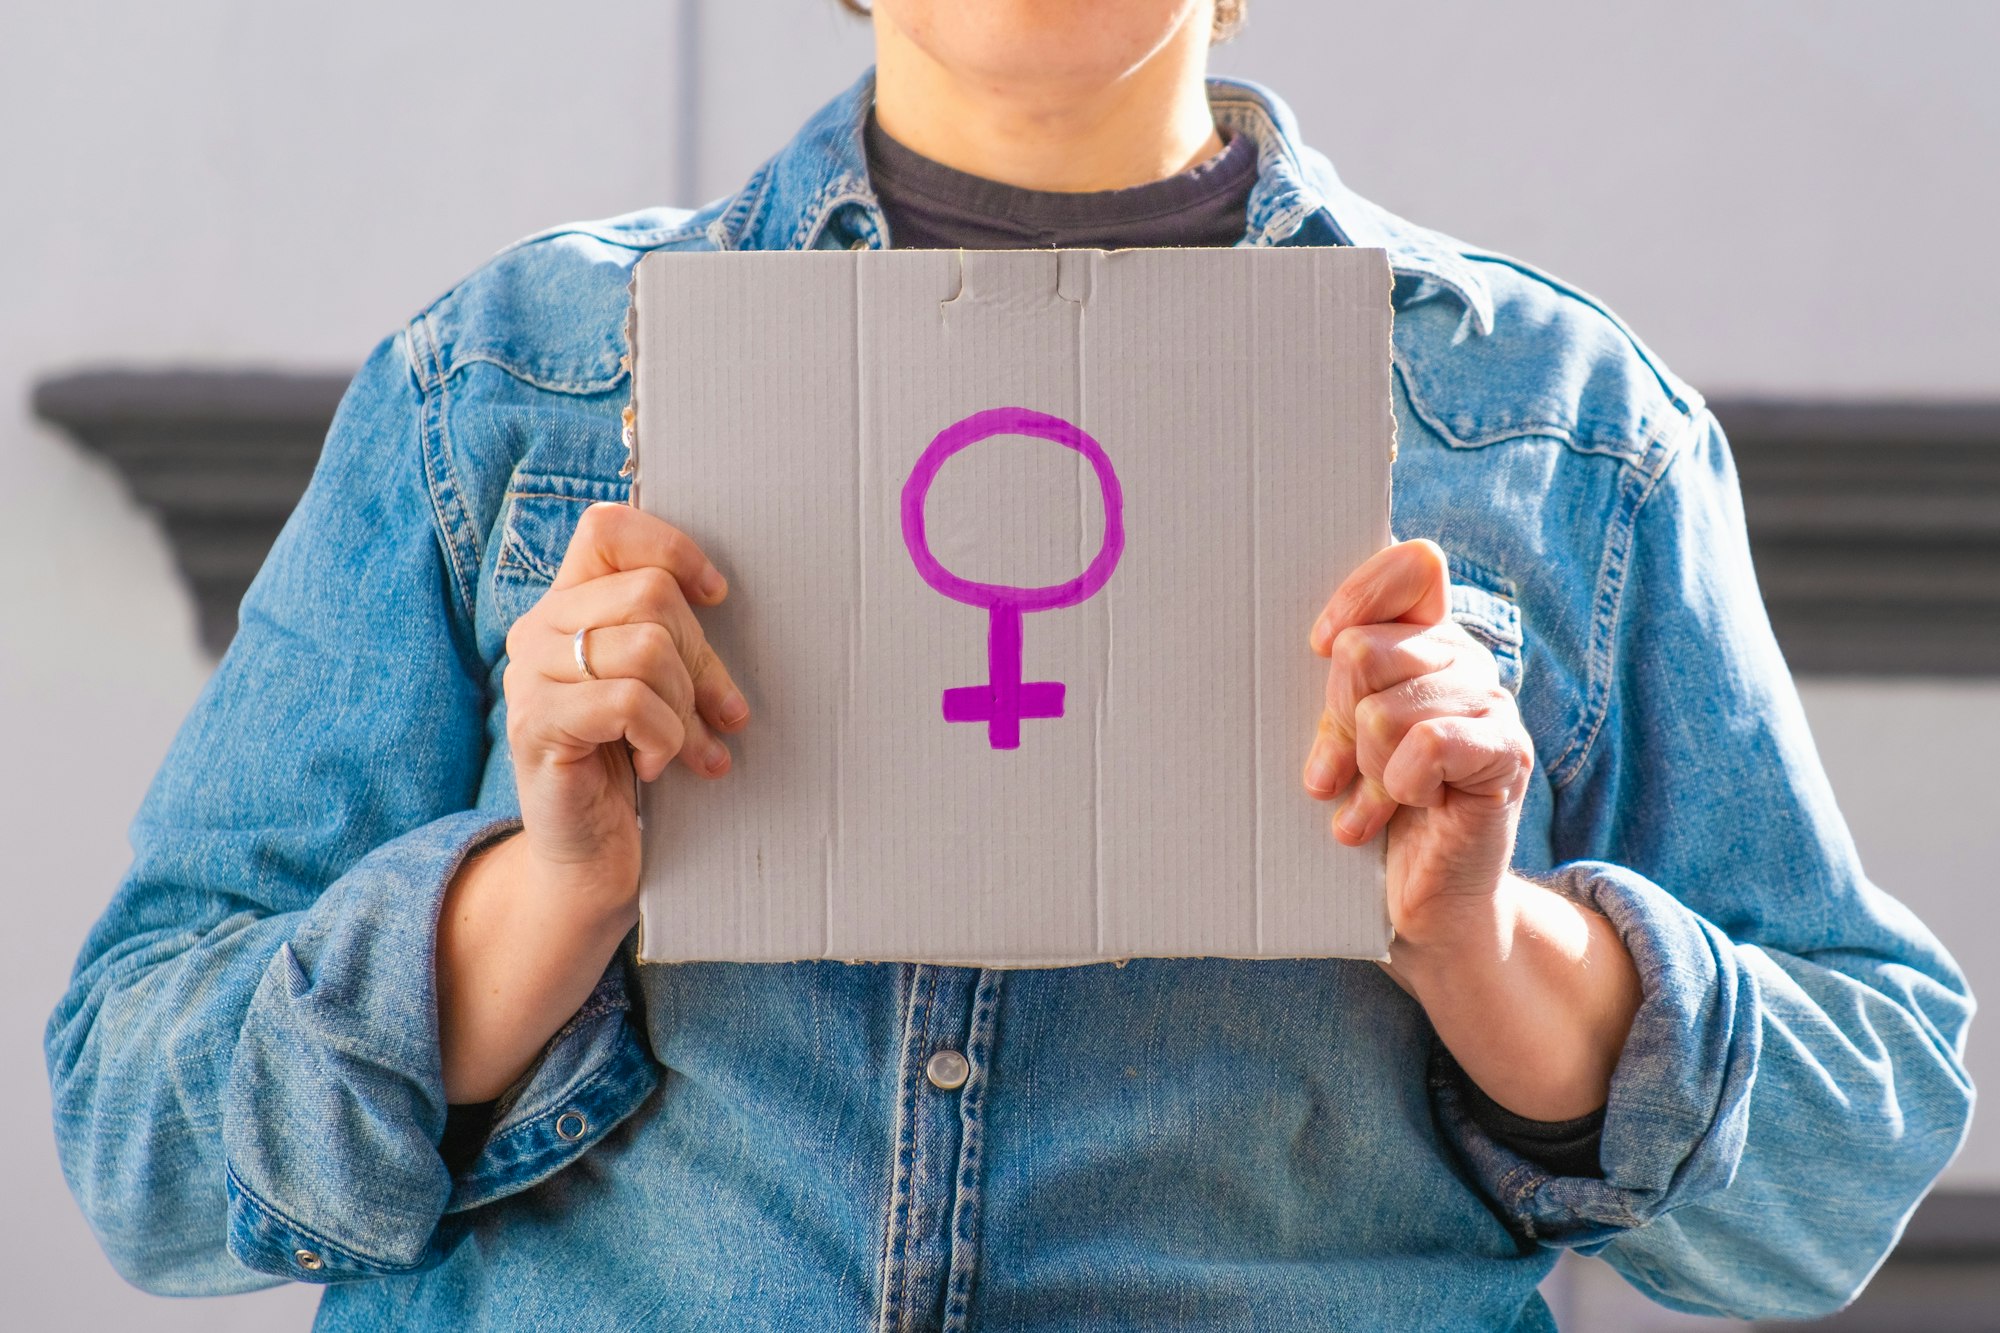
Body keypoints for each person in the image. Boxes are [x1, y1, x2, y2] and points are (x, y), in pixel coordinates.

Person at [46, 2, 1973, 1329]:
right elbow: (133, 1128)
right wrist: (527, 907)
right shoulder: (499, 381)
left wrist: (1501, 948)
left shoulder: (1561, 422)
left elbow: (1846, 1152)